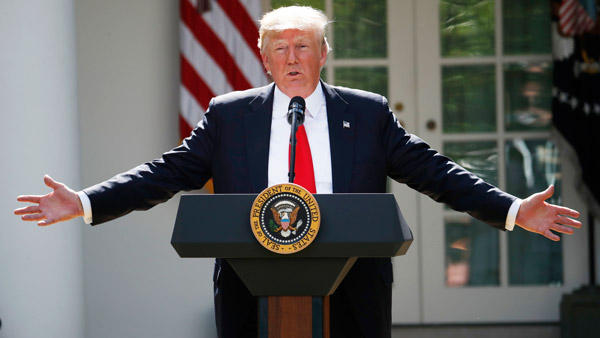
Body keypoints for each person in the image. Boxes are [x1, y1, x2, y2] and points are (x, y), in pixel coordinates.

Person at [14, 5, 581, 338]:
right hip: (251, 289)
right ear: (262, 57)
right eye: (279, 47)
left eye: (302, 46)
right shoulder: (229, 115)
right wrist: (87, 202)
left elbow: (434, 171)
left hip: (354, 289)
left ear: (323, 53)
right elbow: (169, 172)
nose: (291, 57)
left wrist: (510, 209)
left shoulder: (367, 112)